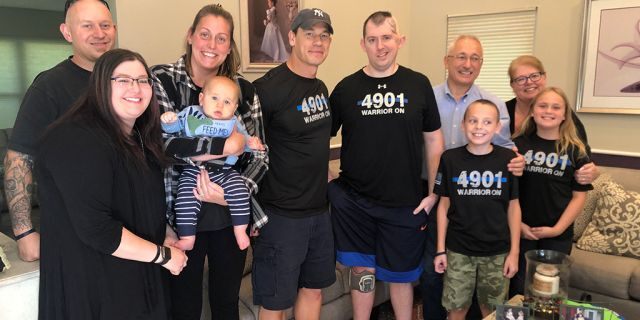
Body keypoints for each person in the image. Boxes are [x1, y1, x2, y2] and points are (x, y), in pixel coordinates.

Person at [36, 48, 188, 320]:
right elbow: (98, 229)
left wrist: (165, 232)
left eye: (143, 80)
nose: (136, 88)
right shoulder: (74, 138)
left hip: (137, 277)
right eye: (123, 80)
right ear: (100, 85)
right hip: (93, 288)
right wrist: (163, 256)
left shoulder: (140, 137)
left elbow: (143, 202)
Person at [152, 4, 268, 320]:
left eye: (221, 38)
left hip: (228, 215)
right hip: (179, 212)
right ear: (190, 36)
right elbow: (165, 145)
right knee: (184, 305)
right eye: (204, 34)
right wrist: (229, 144)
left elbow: (260, 155)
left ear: (229, 46)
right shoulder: (161, 80)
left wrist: (233, 194)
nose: (211, 45)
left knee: (225, 302)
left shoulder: (243, 89)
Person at [329, 11, 444, 320]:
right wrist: (330, 184)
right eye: (372, 39)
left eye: (387, 38)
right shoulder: (345, 89)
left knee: (401, 276)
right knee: (362, 271)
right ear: (363, 44)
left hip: (404, 204)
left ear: (400, 40)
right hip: (355, 203)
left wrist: (434, 193)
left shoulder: (418, 85)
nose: (380, 46)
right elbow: (314, 141)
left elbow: (434, 141)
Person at [3, 0, 116, 262]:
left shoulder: (126, 80)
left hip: (128, 231)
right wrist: (24, 233)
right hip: (74, 234)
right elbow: (19, 157)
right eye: (87, 26)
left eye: (104, 25)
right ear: (67, 32)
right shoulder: (49, 87)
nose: (99, 33)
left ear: (114, 28)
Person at [422, 34, 523, 320]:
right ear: (447, 61)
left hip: (484, 203)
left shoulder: (493, 103)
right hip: (435, 193)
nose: (468, 64)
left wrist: (518, 162)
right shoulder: (427, 97)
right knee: (433, 275)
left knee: (489, 299)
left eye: (475, 58)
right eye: (461, 56)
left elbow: (504, 149)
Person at [252, 8, 336, 320]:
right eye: (309, 34)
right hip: (280, 217)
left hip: (318, 213)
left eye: (324, 35)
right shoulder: (266, 89)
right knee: (276, 303)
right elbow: (250, 155)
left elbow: (314, 150)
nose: (318, 41)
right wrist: (252, 215)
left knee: (313, 290)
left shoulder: (321, 89)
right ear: (291, 37)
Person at [433, 100, 521, 320]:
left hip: (497, 251)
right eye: (473, 121)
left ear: (497, 127)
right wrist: (440, 249)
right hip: (458, 249)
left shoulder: (508, 160)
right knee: (456, 309)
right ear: (463, 125)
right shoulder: (450, 159)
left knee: (493, 312)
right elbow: (443, 205)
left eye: (487, 122)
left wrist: (514, 252)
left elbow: (514, 207)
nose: (479, 127)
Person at [160, 76, 264, 251]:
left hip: (225, 171)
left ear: (235, 107)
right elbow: (172, 131)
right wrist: (168, 120)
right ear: (202, 99)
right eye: (214, 98)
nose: (219, 106)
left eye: (227, 102)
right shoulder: (191, 114)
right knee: (185, 199)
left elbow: (245, 142)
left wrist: (252, 144)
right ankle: (187, 237)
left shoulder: (234, 123)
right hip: (194, 171)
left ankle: (240, 231)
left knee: (240, 192)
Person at [510, 87, 593, 296]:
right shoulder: (517, 146)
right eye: (542, 105)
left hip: (558, 234)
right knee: (519, 289)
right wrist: (518, 224)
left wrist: (556, 230)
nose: (549, 111)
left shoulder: (575, 150)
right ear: (532, 111)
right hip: (521, 229)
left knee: (549, 291)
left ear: (565, 114)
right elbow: (508, 193)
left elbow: (578, 197)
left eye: (556, 107)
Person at [506, 55, 598, 185]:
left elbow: (583, 158)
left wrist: (592, 171)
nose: (529, 82)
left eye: (534, 76)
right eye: (520, 79)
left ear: (544, 77)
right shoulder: (501, 112)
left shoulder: (561, 116)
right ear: (512, 85)